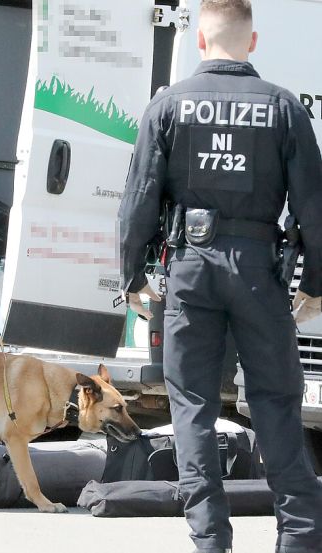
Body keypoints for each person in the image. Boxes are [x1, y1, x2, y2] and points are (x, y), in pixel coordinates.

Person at [119, 1, 322, 552]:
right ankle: (301, 538)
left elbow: (138, 199)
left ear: (200, 41)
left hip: (189, 267)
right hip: (258, 269)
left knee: (192, 405)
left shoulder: (168, 105)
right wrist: (316, 286)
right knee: (277, 399)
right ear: (251, 43)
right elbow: (313, 206)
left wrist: (131, 274)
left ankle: (210, 541)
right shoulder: (283, 108)